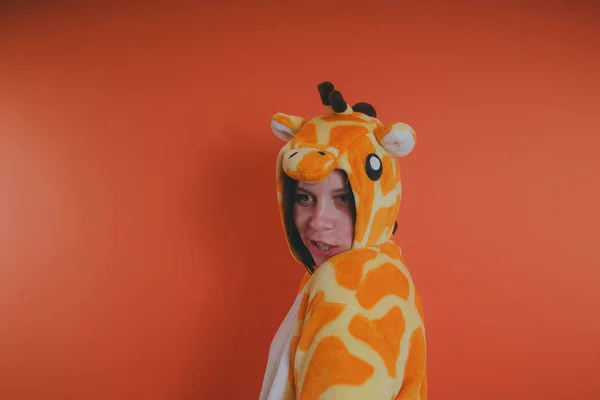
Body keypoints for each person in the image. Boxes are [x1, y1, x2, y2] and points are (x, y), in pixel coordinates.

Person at [260, 82, 427, 400]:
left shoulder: (341, 287)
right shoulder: (386, 263)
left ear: (376, 200)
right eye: (305, 197)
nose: (318, 222)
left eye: (343, 199)